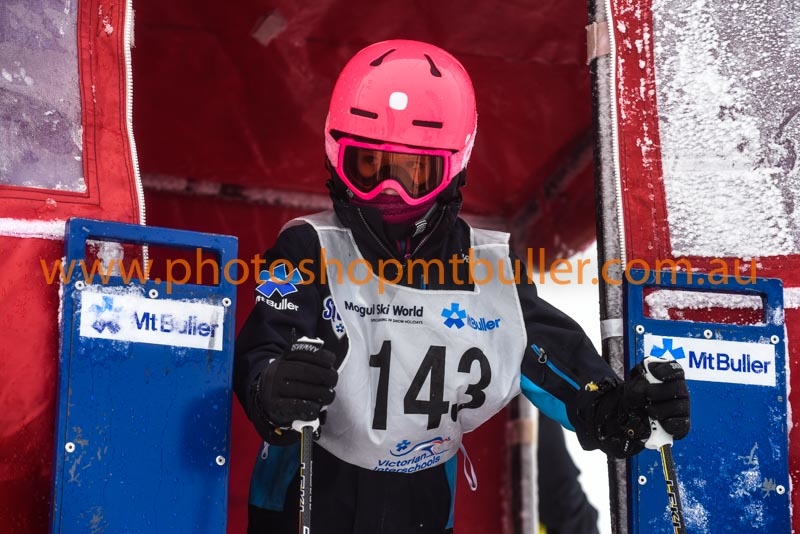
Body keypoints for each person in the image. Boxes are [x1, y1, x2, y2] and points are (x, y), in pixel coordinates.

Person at [233, 39, 690, 534]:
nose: (389, 193)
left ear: (452, 169)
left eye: (415, 173)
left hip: (420, 511)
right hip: (304, 502)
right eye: (367, 167)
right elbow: (264, 346)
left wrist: (616, 410)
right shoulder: (311, 248)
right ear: (335, 156)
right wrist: (273, 389)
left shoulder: (487, 272)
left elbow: (552, 358)